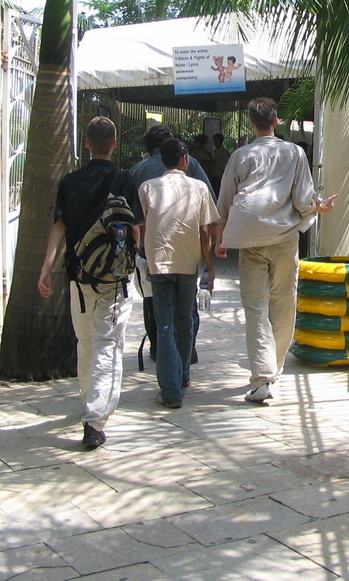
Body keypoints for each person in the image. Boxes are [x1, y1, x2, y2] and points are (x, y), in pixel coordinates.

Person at [214, 97, 336, 403]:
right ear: (276, 121)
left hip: (250, 240)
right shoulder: (294, 153)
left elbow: (225, 201)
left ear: (252, 124)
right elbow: (303, 199)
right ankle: (272, 371)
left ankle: (262, 377)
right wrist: (317, 208)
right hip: (283, 238)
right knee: (283, 304)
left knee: (255, 309)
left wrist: (220, 237)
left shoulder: (240, 156)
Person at [38, 116, 143, 450]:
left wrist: (46, 268)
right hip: (115, 279)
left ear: (86, 143)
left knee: (85, 341)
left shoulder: (70, 182)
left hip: (79, 278)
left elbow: (59, 227)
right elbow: (136, 228)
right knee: (107, 345)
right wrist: (137, 261)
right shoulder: (124, 180)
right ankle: (95, 419)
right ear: (114, 143)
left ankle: (89, 399)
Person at [139, 138, 219, 409]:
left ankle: (171, 391)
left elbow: (143, 223)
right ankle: (182, 377)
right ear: (184, 159)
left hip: (159, 264)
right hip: (188, 264)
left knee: (164, 326)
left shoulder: (147, 188)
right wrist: (210, 266)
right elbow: (205, 232)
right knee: (184, 322)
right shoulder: (198, 188)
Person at [130, 125, 214, 364]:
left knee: (155, 305)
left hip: (153, 254)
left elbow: (134, 218)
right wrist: (209, 261)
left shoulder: (139, 171)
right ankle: (187, 352)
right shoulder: (192, 165)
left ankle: (159, 350)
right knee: (187, 310)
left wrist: (137, 249)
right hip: (187, 253)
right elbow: (207, 215)